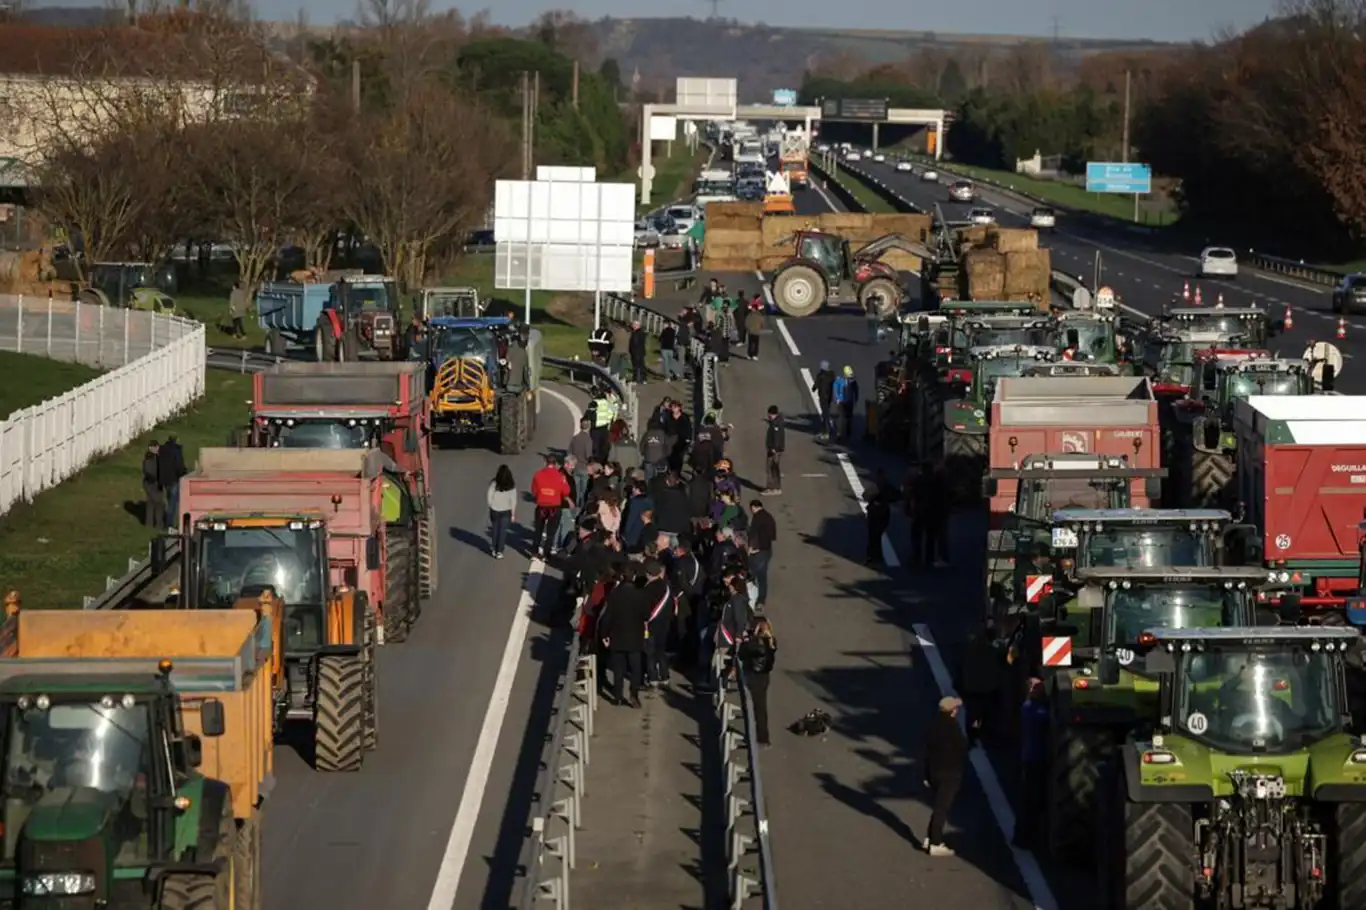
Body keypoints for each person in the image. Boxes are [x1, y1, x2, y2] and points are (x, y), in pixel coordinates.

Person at [923, 696, 968, 856]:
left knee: (938, 806)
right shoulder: (953, 728)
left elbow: (927, 753)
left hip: (935, 772)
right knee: (942, 808)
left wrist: (926, 774)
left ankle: (930, 837)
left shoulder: (933, 726)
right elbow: (963, 748)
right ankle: (935, 842)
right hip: (950, 773)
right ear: (952, 711)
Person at [598, 568, 648, 706]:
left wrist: (604, 634)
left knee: (618, 669)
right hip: (635, 638)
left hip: (617, 637)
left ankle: (618, 696)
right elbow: (646, 615)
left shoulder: (614, 594)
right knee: (635, 669)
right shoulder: (640, 595)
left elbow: (607, 617)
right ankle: (634, 694)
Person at [957, 619, 1004, 747]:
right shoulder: (993, 650)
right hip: (988, 688)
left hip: (971, 687)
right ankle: (983, 735)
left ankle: (972, 737)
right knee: (987, 713)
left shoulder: (968, 648)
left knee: (972, 713)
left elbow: (960, 666)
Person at [1016, 678, 1050, 848]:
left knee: (1031, 800)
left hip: (1033, 758)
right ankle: (1023, 837)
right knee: (1031, 800)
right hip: (1033, 759)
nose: (1040, 688)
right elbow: (1044, 718)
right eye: (1036, 686)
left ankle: (1026, 835)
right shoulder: (1030, 708)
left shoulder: (1031, 707)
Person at [738, 616, 777, 746]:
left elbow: (742, 654)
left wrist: (750, 638)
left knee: (753, 708)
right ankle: (762, 736)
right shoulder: (771, 642)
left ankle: (758, 736)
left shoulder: (754, 645)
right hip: (764, 678)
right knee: (761, 708)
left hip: (753, 677)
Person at [530, 455, 571, 560]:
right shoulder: (560, 476)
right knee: (550, 533)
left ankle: (534, 553)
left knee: (538, 531)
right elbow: (566, 491)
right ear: (556, 464)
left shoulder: (538, 474)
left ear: (545, 463)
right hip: (554, 507)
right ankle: (545, 555)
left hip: (542, 506)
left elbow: (534, 491)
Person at [911, 461, 951, 568]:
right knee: (930, 537)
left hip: (921, 512)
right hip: (933, 513)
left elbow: (913, 495)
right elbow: (944, 497)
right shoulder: (938, 480)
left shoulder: (918, 480)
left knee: (917, 535)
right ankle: (929, 559)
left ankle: (917, 557)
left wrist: (911, 509)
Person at [641, 560, 673, 689]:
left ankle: (653, 677)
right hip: (664, 623)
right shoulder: (666, 587)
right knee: (661, 651)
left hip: (651, 624)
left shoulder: (648, 589)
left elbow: (645, 608)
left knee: (650, 652)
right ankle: (665, 676)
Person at [747, 499, 776, 607]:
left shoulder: (757, 518)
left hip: (758, 551)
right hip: (767, 550)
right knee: (762, 577)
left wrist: (753, 548)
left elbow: (754, 533)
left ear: (754, 507)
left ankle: (753, 598)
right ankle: (761, 600)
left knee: (752, 576)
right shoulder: (769, 517)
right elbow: (772, 536)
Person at [486, 465, 517, 559]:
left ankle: (494, 548)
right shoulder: (511, 485)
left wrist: (491, 505)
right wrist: (513, 514)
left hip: (495, 510)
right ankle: (499, 551)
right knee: (502, 531)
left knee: (495, 529)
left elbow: (489, 495)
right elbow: (513, 500)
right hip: (506, 511)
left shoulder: (494, 483)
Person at [157, 434, 187, 530]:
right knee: (174, 504)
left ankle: (168, 523)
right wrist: (184, 474)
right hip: (174, 479)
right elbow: (179, 466)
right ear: (176, 440)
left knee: (170, 501)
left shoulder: (162, 450)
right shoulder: (176, 451)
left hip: (164, 480)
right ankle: (170, 524)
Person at [832, 366, 859, 442]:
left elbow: (856, 391)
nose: (851, 379)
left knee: (849, 417)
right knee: (841, 418)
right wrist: (836, 399)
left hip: (849, 402)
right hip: (841, 402)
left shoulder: (854, 383)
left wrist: (856, 400)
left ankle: (848, 433)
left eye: (851, 377)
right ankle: (839, 434)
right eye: (849, 377)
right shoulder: (839, 381)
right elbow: (835, 390)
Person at [141, 440, 165, 529]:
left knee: (151, 503)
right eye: (155, 447)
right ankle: (159, 524)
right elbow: (149, 471)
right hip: (152, 483)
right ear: (151, 448)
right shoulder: (150, 458)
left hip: (152, 483)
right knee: (158, 503)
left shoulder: (153, 457)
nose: (157, 449)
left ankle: (149, 523)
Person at [812, 361, 836, 442]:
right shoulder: (831, 375)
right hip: (829, 397)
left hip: (823, 397)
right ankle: (826, 430)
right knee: (826, 413)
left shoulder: (820, 375)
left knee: (825, 415)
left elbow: (816, 385)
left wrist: (814, 388)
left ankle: (826, 433)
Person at [763, 406, 785, 495]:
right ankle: (775, 487)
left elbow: (776, 437)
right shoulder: (776, 422)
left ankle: (772, 488)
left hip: (775, 450)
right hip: (775, 449)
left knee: (772, 468)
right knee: (773, 468)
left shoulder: (776, 424)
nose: (768, 416)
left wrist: (774, 448)